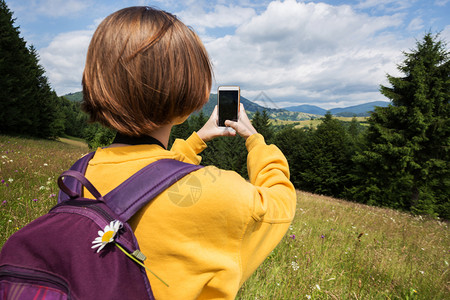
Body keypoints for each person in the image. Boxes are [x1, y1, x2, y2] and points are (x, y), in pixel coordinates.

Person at [81, 6, 296, 300]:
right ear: (189, 92)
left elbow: (151, 175)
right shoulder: (221, 194)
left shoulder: (78, 175)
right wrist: (255, 140)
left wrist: (196, 140)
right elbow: (281, 203)